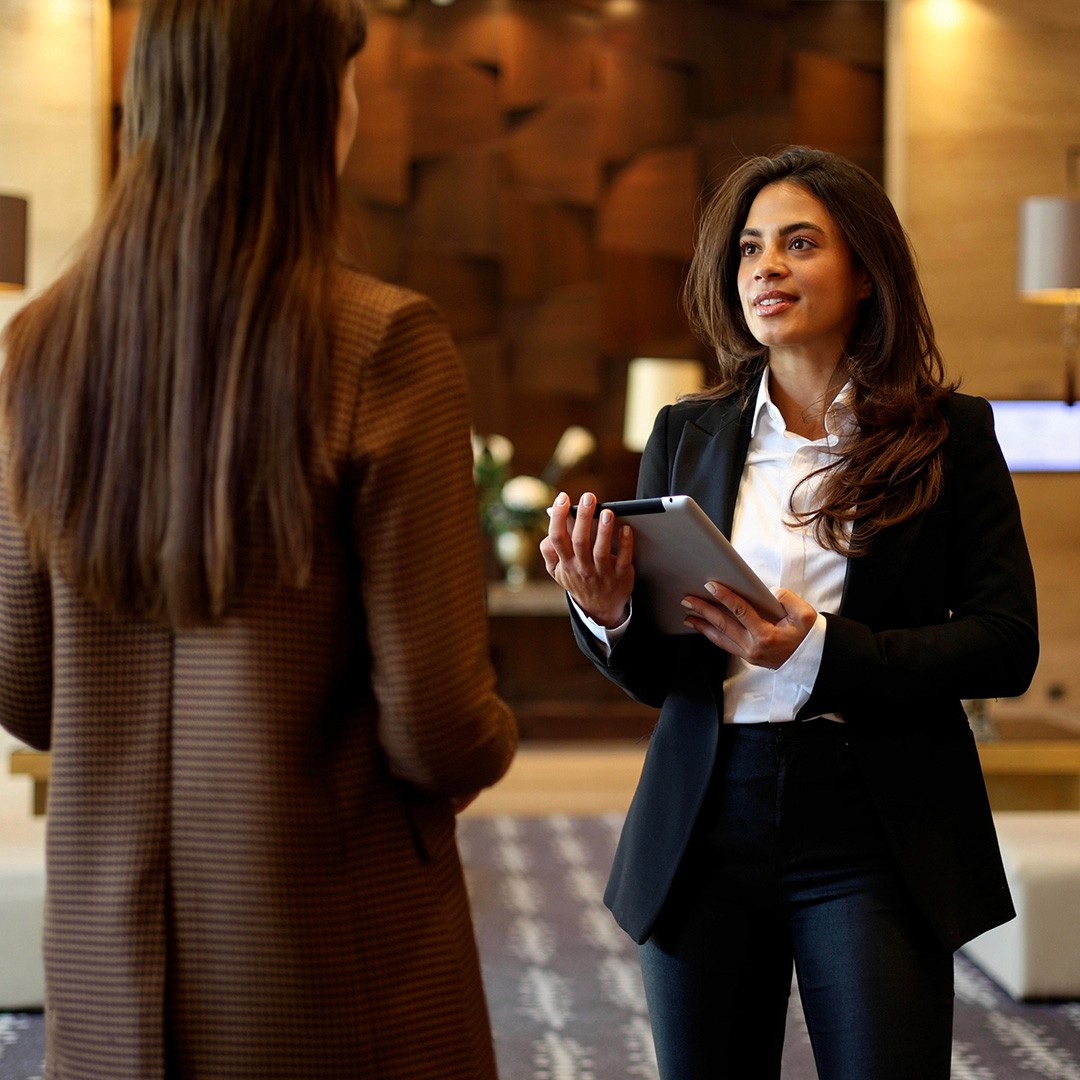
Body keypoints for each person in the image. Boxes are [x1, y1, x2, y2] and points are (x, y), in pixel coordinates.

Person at [0, 1, 516, 1077]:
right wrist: (493, 735)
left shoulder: (39, 346)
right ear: (309, 108)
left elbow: (23, 687)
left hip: (108, 969)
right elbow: (435, 725)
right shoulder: (382, 344)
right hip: (325, 958)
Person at [541, 145, 1038, 1080]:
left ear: (864, 275)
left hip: (875, 820)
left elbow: (1006, 644)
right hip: (703, 819)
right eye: (749, 250)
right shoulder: (686, 433)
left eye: (799, 243)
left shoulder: (950, 435)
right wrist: (606, 613)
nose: (765, 266)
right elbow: (662, 673)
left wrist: (816, 654)